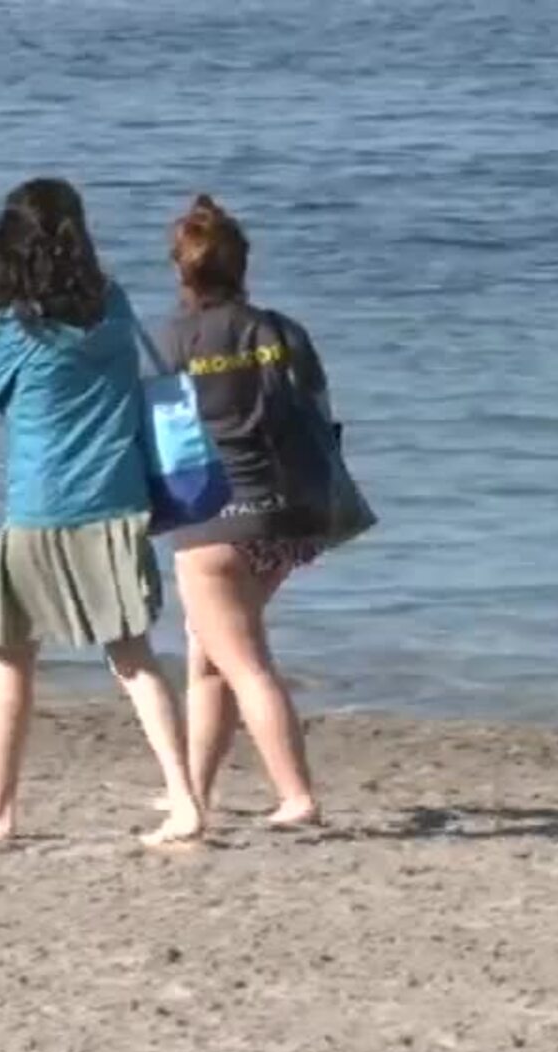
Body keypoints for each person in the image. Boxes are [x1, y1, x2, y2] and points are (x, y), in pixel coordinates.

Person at [0, 178, 204, 846]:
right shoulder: (113, 302)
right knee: (132, 653)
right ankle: (186, 799)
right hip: (117, 495)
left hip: (43, 503)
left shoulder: (20, 327)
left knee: (12, 655)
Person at [158, 195, 338, 828]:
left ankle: (297, 796)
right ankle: (196, 791)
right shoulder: (280, 330)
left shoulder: (169, 342)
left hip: (212, 524)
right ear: (241, 267)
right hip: (285, 520)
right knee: (209, 655)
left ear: (183, 271)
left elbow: (154, 437)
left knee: (244, 664)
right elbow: (316, 414)